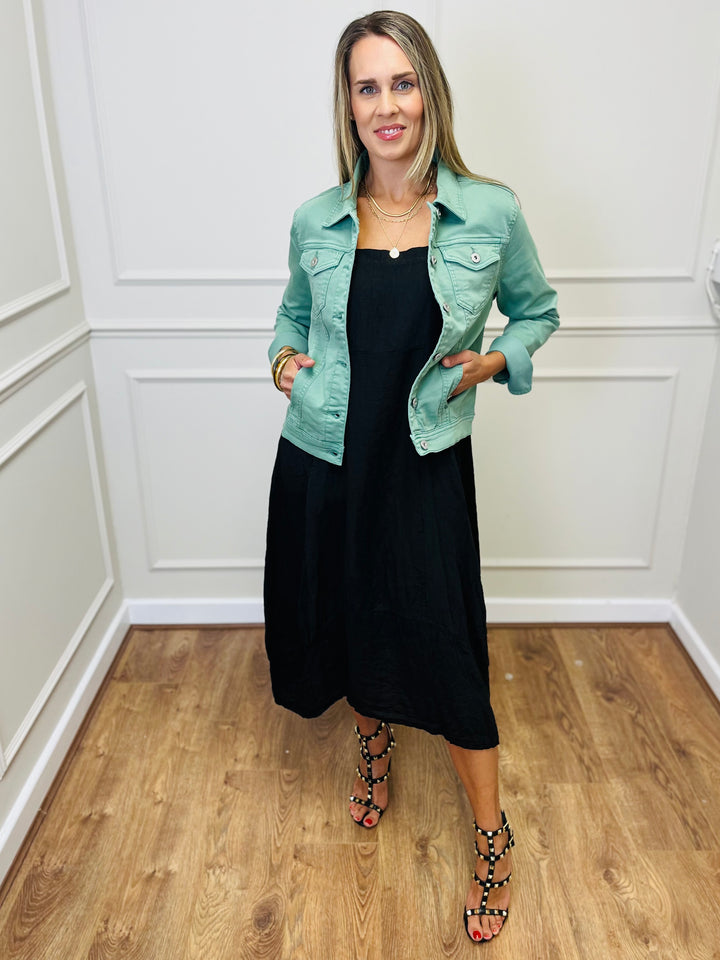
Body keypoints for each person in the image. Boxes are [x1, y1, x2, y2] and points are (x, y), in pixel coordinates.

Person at [264, 10, 558, 944]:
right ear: (347, 105)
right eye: (367, 87)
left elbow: (539, 313)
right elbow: (290, 320)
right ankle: (373, 743)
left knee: (450, 650)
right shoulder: (317, 219)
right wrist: (283, 364)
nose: (386, 106)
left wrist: (494, 363)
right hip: (326, 460)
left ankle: (491, 835)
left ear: (429, 92)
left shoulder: (489, 212)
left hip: (425, 465)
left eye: (402, 83)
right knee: (349, 618)